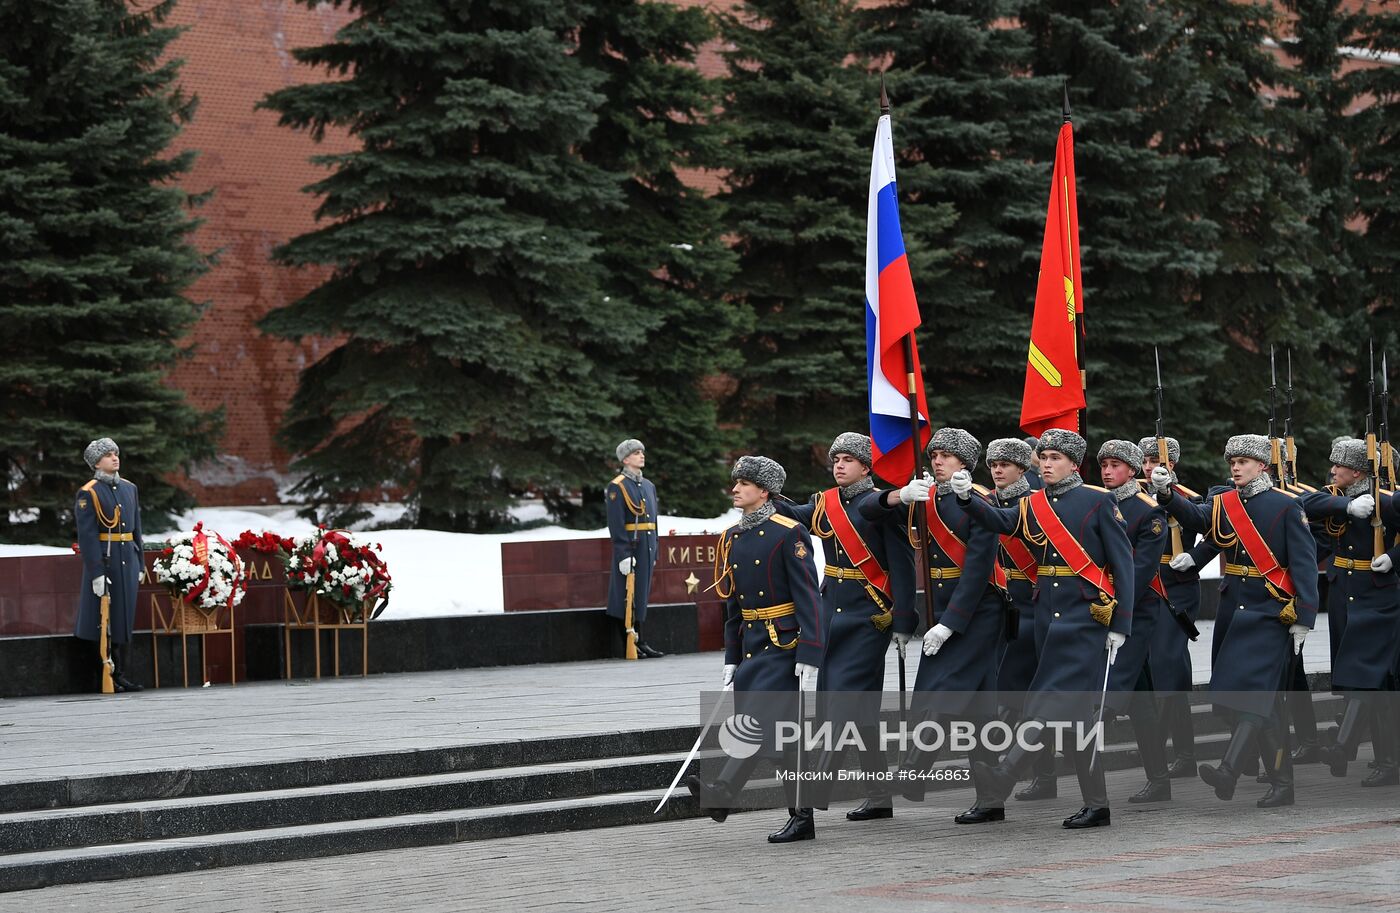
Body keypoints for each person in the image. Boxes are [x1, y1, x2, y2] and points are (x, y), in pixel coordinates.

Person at [958, 428, 1136, 830]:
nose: (1048, 464)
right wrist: (967, 497)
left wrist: (1121, 625)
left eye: (1056, 458)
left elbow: (1123, 566)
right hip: (1048, 619)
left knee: (1047, 699)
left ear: (1074, 464)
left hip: (1086, 619)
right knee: (1076, 721)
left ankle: (1004, 774)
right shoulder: (1034, 503)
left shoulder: (1099, 501)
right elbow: (1001, 521)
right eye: (1044, 457)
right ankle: (1097, 804)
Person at [1153, 433, 1318, 807]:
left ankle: (1230, 769)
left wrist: (1304, 617)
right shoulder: (1226, 502)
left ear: (1261, 466)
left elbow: (1305, 565)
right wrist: (1167, 493)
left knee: (1254, 696)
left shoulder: (1285, 506)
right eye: (1232, 463)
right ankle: (1281, 783)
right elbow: (1200, 520)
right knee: (1250, 699)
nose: (1236, 468)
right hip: (1234, 609)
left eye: (1243, 462)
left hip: (1271, 610)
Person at [863, 428, 1008, 824]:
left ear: (964, 462)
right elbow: (867, 511)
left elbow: (979, 569)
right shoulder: (923, 497)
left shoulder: (979, 500)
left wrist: (949, 624)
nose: (937, 461)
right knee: (978, 709)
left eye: (946, 455)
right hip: (942, 608)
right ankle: (991, 798)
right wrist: (898, 495)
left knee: (940, 690)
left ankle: (914, 770)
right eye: (935, 454)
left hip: (977, 609)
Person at [777, 432, 920, 821]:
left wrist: (905, 619)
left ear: (866, 467)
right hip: (831, 615)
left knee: (840, 706)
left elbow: (902, 562)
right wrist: (765, 491)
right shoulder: (825, 502)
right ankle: (878, 795)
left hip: (869, 617)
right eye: (835, 459)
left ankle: (807, 799)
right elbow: (794, 515)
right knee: (859, 712)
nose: (838, 465)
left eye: (848, 460)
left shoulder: (881, 504)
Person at [686, 456, 824, 843]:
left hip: (784, 644)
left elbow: (809, 597)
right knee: (783, 738)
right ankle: (802, 818)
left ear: (764, 491)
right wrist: (731, 657)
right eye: (735, 483)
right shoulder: (732, 536)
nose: (735, 489)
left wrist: (811, 653)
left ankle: (723, 793)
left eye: (744, 483)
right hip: (752, 645)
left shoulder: (788, 532)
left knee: (758, 723)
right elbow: (733, 604)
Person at [1300, 438, 1400, 786]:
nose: (1332, 470)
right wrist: (1346, 508)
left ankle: (1369, 756)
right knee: (1360, 676)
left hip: (1378, 596)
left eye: (1338, 466)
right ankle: (1374, 758)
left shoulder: (1387, 500)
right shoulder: (1337, 497)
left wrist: (1395, 558)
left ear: (1357, 471)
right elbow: (1303, 502)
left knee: (1372, 677)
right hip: (1345, 595)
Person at [1095, 441, 1173, 803]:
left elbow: (1139, 572)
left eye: (1115, 465)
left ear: (1130, 469)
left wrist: (1109, 602)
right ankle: (1159, 780)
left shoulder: (1147, 511)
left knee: (1105, 699)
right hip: (1101, 608)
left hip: (1133, 611)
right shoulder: (1098, 502)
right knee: (1140, 700)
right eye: (1104, 465)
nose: (1108, 471)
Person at [985, 438, 1058, 801]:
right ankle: (1044, 776)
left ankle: (1011, 770)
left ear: (1021, 468)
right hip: (1008, 602)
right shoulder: (990, 502)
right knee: (1017, 691)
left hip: (1036, 600)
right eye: (993, 464)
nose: (997, 470)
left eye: (1005, 464)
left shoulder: (1034, 504)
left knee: (1024, 695)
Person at [1138, 436, 1203, 777]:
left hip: (1178, 587)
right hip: (1149, 584)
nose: (1148, 467)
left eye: (1154, 460)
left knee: (1165, 662)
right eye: (1144, 460)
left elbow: (1199, 523)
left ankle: (1160, 750)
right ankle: (1185, 753)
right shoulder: (1135, 496)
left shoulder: (1188, 497)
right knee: (1170, 669)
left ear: (1171, 465)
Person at [74, 437, 145, 693]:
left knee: (124, 617)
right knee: (104, 620)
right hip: (107, 561)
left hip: (127, 560)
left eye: (116, 453)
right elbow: (88, 536)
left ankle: (122, 673)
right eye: (108, 455)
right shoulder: (89, 492)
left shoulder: (129, 488)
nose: (115, 458)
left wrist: (141, 564)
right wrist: (96, 573)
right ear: (96, 462)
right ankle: (106, 672)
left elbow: (137, 529)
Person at [606, 439, 663, 658]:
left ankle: (640, 639)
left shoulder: (647, 485)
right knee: (625, 594)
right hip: (631, 547)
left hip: (646, 547)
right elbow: (616, 523)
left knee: (640, 594)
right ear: (626, 459)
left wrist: (655, 548)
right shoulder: (617, 486)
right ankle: (628, 639)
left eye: (642, 452)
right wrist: (623, 554)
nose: (642, 456)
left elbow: (654, 522)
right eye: (637, 453)